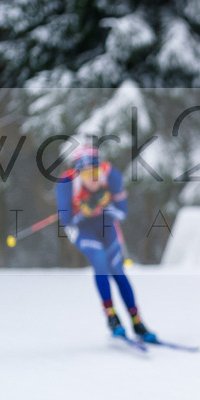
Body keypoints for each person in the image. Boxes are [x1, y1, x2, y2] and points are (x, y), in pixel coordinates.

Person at [56, 144, 157, 343]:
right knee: (100, 260)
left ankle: (137, 321)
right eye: (85, 175)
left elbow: (122, 212)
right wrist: (84, 211)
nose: (91, 179)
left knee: (117, 269)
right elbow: (66, 221)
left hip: (106, 224)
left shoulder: (112, 176)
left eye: (94, 172)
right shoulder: (66, 183)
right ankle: (111, 316)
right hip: (82, 230)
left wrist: (104, 205)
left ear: (100, 167)